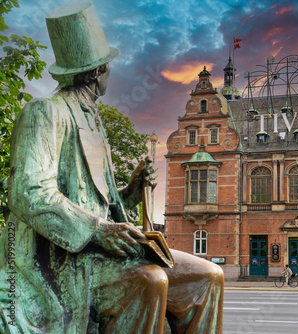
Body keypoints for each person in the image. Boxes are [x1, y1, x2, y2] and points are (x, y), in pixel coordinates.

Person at [0, 3, 223, 333]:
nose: (109, 71)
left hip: (99, 250)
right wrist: (97, 231)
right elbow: (29, 192)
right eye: (107, 65)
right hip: (66, 259)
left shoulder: (94, 123)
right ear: (96, 71)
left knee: (209, 277)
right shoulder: (46, 111)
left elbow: (97, 203)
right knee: (148, 281)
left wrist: (131, 192)